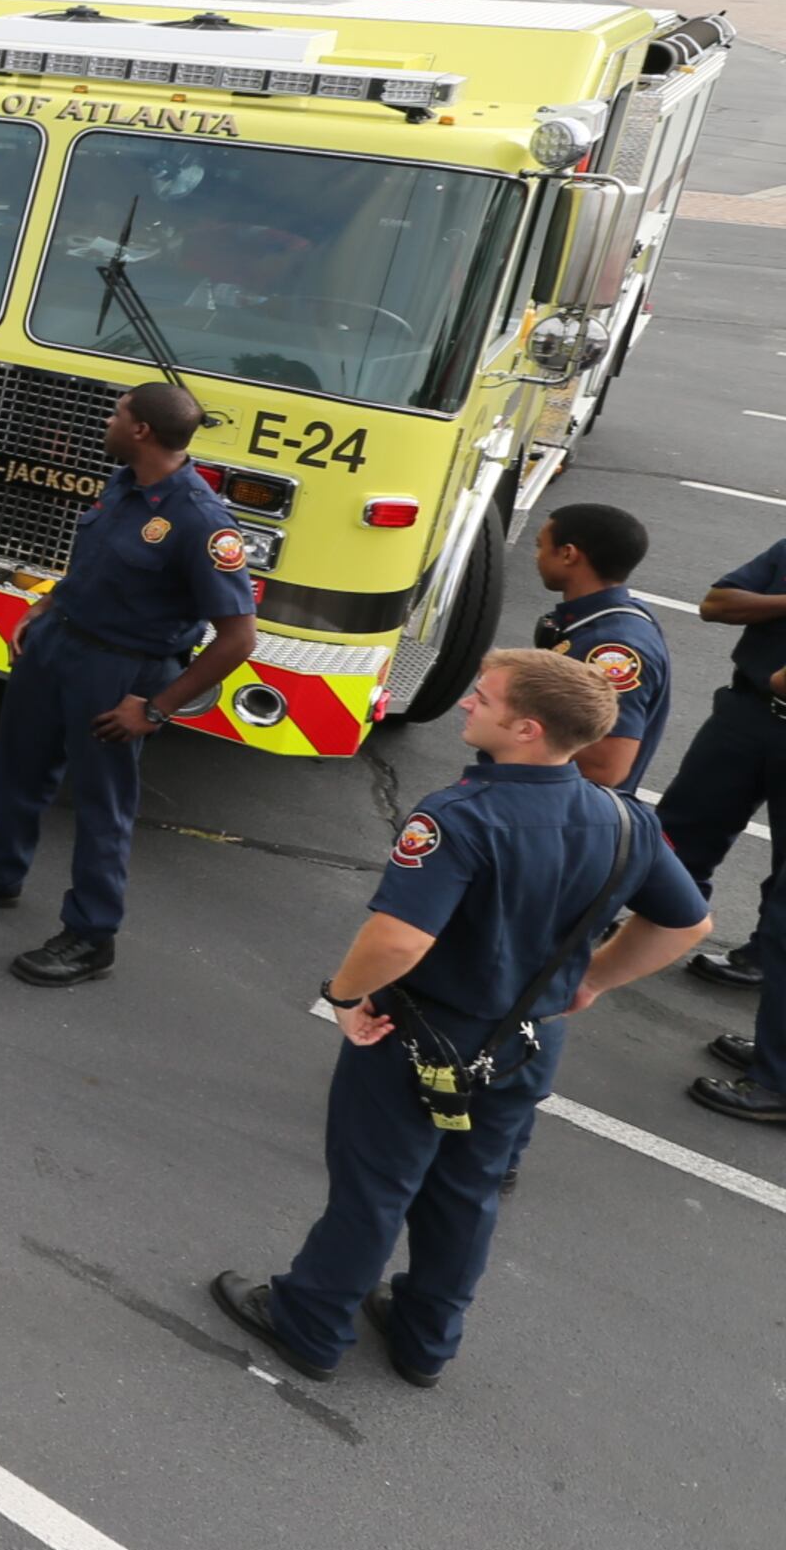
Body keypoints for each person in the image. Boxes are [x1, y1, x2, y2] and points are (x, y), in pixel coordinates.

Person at [212, 650, 708, 1386]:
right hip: (528, 1041)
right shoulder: (626, 821)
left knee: (377, 1186)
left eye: (484, 698)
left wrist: (345, 998)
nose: (468, 705)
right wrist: (592, 982)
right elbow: (687, 924)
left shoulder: (462, 815)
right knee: (468, 1191)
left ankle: (311, 1321)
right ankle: (424, 1339)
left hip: (423, 1034)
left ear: (527, 728)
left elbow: (400, 938)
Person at [0, 381, 258, 987]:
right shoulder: (125, 481)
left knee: (104, 809)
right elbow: (96, 566)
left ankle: (90, 937)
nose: (107, 419)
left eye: (117, 414)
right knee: (18, 766)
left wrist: (155, 708)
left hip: (123, 672)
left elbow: (238, 639)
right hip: (61, 645)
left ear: (141, 432)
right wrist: (47, 606)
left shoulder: (201, 522)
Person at [652, 531, 786, 1125]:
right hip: (751, 712)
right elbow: (718, 603)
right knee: (684, 827)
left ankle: (777, 1081)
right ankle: (661, 925)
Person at [522, 505, 669, 794]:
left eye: (541, 546)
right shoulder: (614, 615)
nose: (536, 556)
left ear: (568, 554)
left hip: (554, 815)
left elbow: (606, 767)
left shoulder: (611, 649)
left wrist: (505, 728)